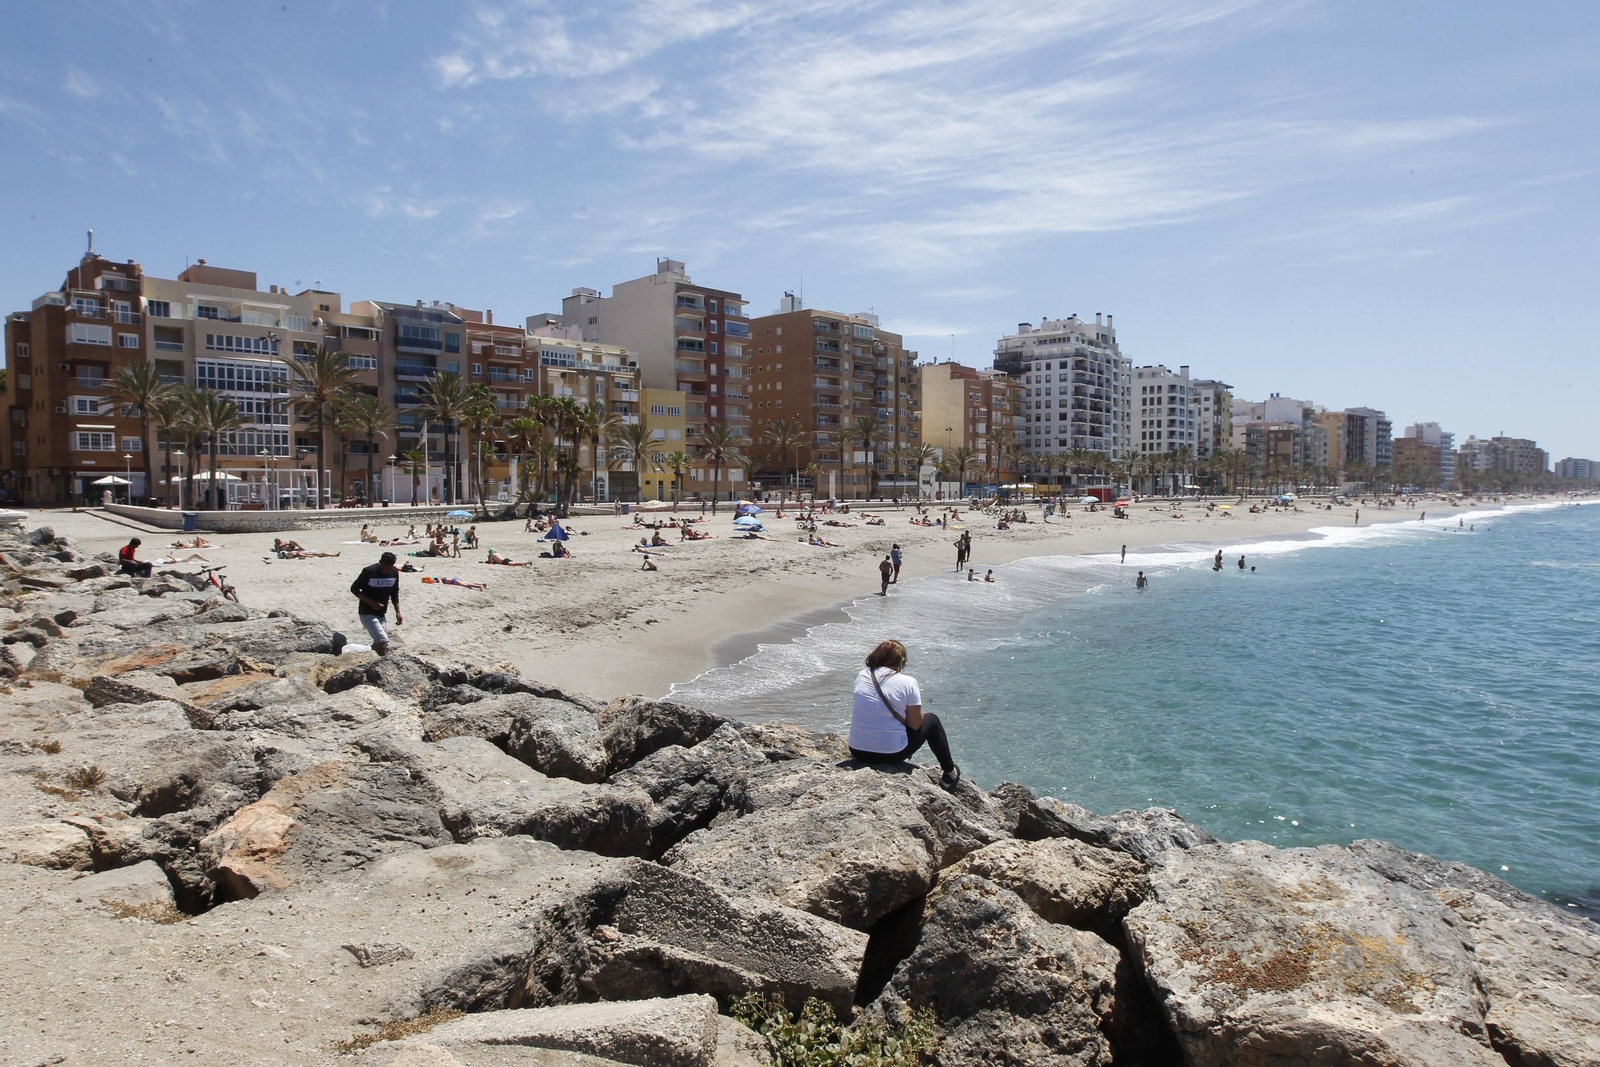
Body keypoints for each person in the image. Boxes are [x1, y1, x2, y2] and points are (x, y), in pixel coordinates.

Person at [848, 640, 959, 786]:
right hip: (891, 754)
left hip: (858, 750)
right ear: (901, 661)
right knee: (932, 720)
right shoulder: (908, 682)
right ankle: (949, 772)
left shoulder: (862, 675)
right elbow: (915, 725)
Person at [350, 551, 403, 656]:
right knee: (382, 640)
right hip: (367, 612)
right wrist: (371, 602)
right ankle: (363, 656)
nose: (385, 571)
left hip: (381, 613)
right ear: (380, 562)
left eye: (388, 568)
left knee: (383, 647)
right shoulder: (369, 571)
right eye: (384, 567)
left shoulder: (394, 572)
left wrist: (398, 612)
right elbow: (354, 589)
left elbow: (394, 593)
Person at [422, 575, 486, 590]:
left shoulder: (438, 578)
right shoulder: (440, 577)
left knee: (466, 585)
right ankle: (481, 584)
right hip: (454, 579)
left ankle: (479, 586)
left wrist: (435, 583)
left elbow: (440, 583)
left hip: (453, 581)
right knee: (468, 583)